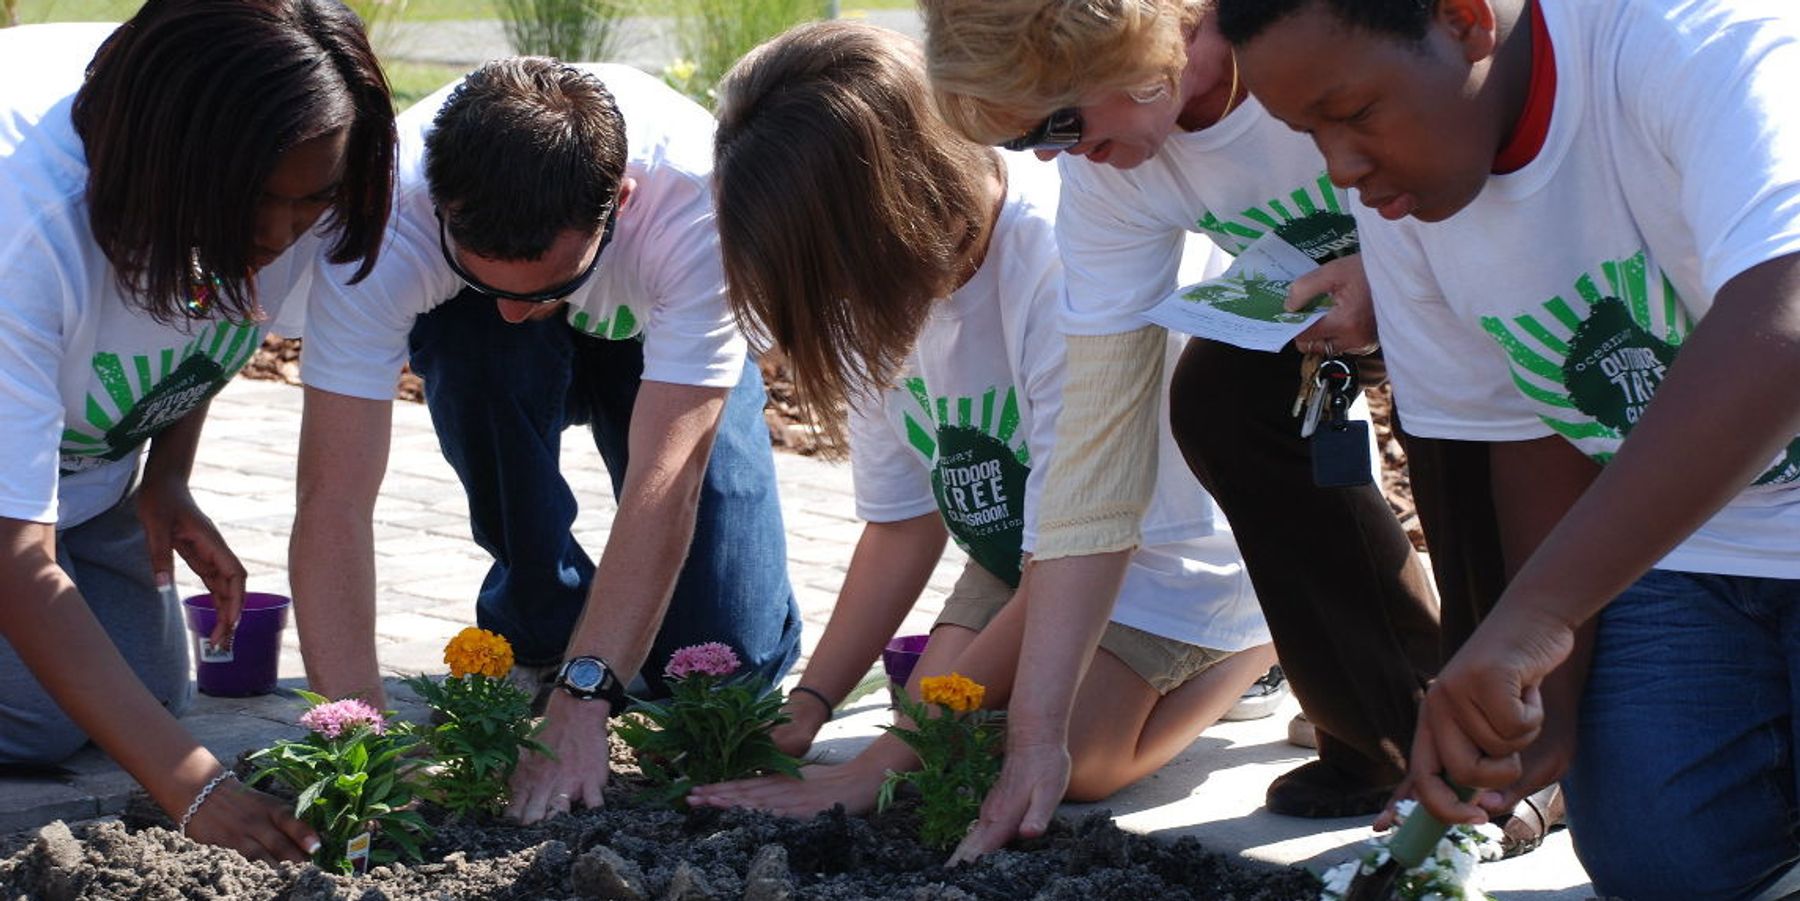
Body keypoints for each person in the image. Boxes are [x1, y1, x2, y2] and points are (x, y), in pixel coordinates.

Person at [1217, 0, 1800, 896]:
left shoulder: (1701, 47)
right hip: (1685, 552)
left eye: (1355, 112)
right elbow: (1534, 427)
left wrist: (1537, 621)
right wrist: (1546, 700)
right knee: (1661, 865)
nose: (1342, 167)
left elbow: (1785, 319)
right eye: (1309, 132)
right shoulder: (1407, 198)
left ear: (1465, 19)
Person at [916, 0, 1475, 861]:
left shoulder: (1306, 41)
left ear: (1126, 42)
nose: (1060, 154)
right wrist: (1036, 735)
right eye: (1029, 140)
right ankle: (1388, 731)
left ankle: (1507, 748)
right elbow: (1093, 464)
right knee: (1221, 399)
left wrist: (1398, 270)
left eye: (1059, 119)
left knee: (1451, 414)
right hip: (1332, 290)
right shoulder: (1107, 173)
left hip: (1479, 253)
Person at [681, 21, 1275, 818]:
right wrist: (810, 705)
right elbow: (901, 527)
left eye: (834, 279)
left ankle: (1262, 637)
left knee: (1079, 758)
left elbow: (1082, 535)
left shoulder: (1056, 264)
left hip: (1163, 549)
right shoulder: (872, 299)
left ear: (894, 210)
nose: (837, 312)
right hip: (1018, 553)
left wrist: (874, 769)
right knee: (943, 728)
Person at [288, 56, 803, 824]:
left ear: (621, 201)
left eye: (548, 288)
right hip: (486, 357)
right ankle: (540, 613)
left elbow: (669, 480)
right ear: (439, 206)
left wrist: (588, 696)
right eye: (486, 279)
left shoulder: (701, 204)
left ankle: (586, 653)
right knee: (482, 345)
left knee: (720, 665)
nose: (516, 309)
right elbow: (331, 498)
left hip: (653, 340)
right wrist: (360, 740)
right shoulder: (383, 220)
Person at [0, 0, 397, 862]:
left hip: (73, 466)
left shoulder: (298, 164)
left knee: (147, 692)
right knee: (37, 721)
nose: (277, 234)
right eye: (256, 202)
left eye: (310, 201)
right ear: (167, 164)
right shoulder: (24, 231)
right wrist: (196, 788)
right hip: (17, 507)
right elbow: (15, 559)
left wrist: (168, 473)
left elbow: (206, 324)